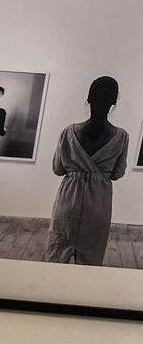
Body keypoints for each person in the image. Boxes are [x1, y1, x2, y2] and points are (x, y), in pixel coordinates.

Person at [45, 76, 129, 266]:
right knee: (91, 262)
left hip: (68, 202)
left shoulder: (69, 132)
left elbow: (58, 169)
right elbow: (117, 173)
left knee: (56, 256)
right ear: (114, 103)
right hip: (98, 204)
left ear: (89, 99)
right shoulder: (122, 137)